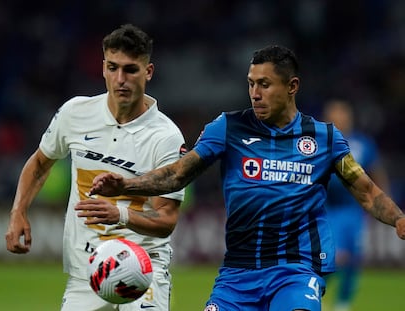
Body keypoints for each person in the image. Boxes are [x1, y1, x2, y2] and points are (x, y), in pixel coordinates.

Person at [85, 45, 405, 311]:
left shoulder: (324, 138)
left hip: (296, 271)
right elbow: (178, 174)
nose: (255, 93)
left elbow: (367, 192)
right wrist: (127, 184)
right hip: (238, 274)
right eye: (251, 83)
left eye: (264, 84)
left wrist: (398, 219)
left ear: (291, 86)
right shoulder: (228, 128)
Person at [5, 24, 187, 311]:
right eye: (113, 67)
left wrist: (121, 215)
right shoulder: (75, 113)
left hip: (142, 269)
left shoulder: (166, 137)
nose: (120, 79)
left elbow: (166, 222)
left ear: (148, 72)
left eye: (131, 69)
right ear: (102, 67)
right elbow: (40, 162)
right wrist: (18, 212)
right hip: (88, 271)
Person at [322, 99, 391, 311]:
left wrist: (384, 205)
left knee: (353, 260)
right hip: (328, 210)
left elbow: (377, 174)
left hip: (355, 211)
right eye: (334, 116)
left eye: (342, 115)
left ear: (349, 118)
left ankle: (342, 304)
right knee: (335, 257)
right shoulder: (320, 143)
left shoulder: (363, 144)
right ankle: (313, 292)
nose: (339, 120)